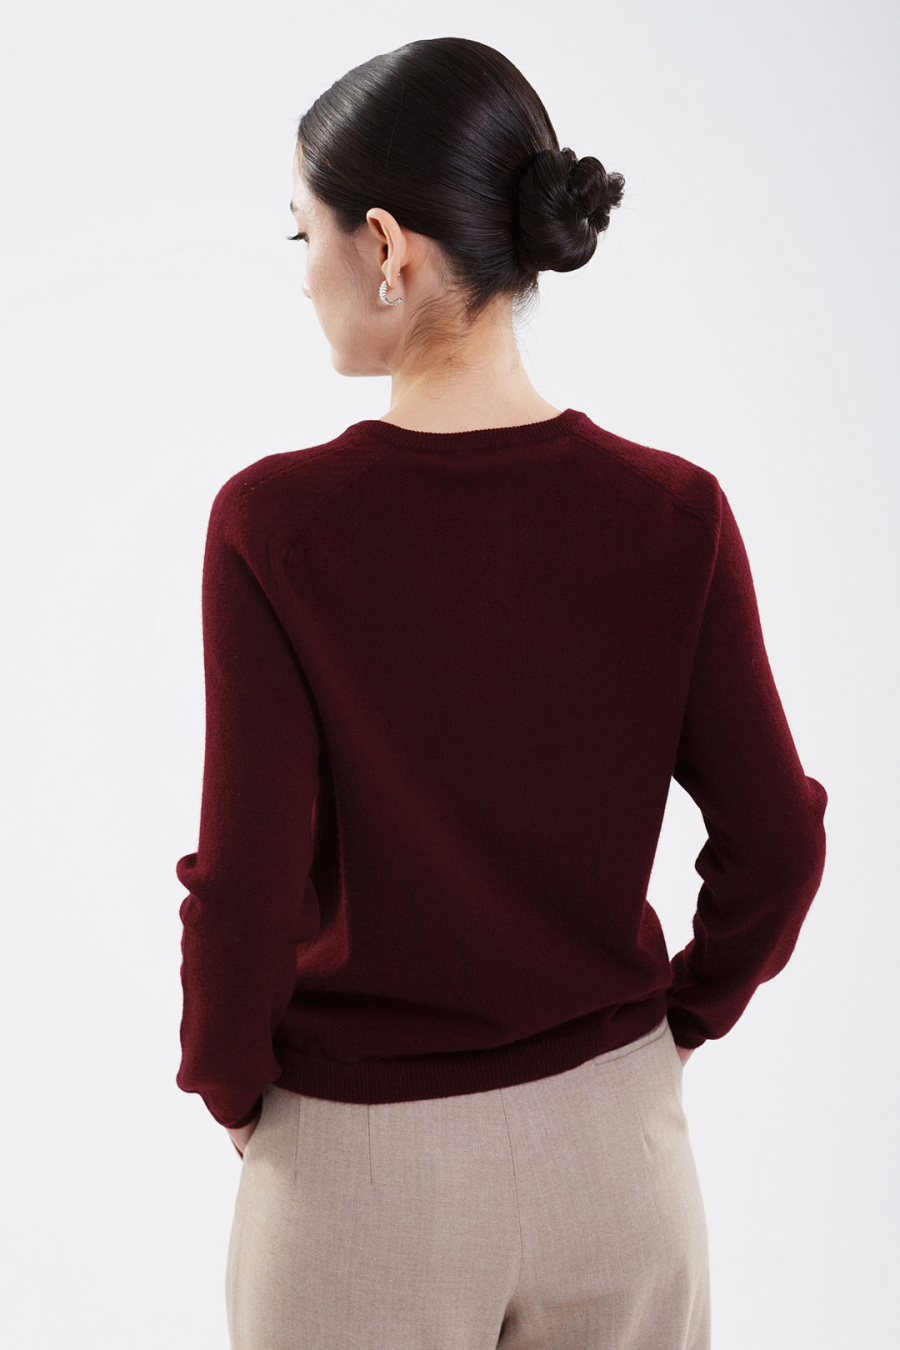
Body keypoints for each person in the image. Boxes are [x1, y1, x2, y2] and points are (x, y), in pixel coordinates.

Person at [174, 35, 828, 1350]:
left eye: (302, 233)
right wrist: (674, 1027)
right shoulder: (673, 513)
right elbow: (778, 840)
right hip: (620, 1162)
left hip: (365, 1165)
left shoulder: (278, 527)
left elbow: (247, 884)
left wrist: (235, 1088)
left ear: (383, 245)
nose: (301, 275)